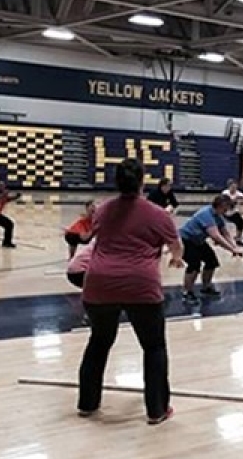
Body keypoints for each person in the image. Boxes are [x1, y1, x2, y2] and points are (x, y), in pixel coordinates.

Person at [77, 158, 184, 425]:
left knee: (99, 342)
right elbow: (176, 246)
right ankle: (157, 410)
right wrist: (175, 258)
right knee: (154, 347)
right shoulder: (159, 214)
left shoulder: (101, 211)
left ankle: (88, 404)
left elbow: (96, 237)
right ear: (143, 181)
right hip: (141, 285)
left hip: (99, 283)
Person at [179, 195, 243, 302]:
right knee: (194, 264)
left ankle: (206, 287)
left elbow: (225, 233)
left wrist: (234, 246)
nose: (227, 210)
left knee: (211, 261)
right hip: (185, 240)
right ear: (220, 206)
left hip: (198, 241)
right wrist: (232, 250)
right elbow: (216, 236)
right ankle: (187, 292)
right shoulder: (206, 214)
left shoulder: (218, 215)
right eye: (226, 208)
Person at [221, 179, 243, 246]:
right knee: (221, 224)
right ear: (229, 187)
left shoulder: (238, 193)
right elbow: (226, 201)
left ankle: (238, 239)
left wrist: (241, 197)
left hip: (234, 213)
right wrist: (234, 199)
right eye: (232, 187)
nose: (234, 189)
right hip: (224, 212)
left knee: (241, 223)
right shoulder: (225, 193)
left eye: (235, 187)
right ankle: (221, 238)